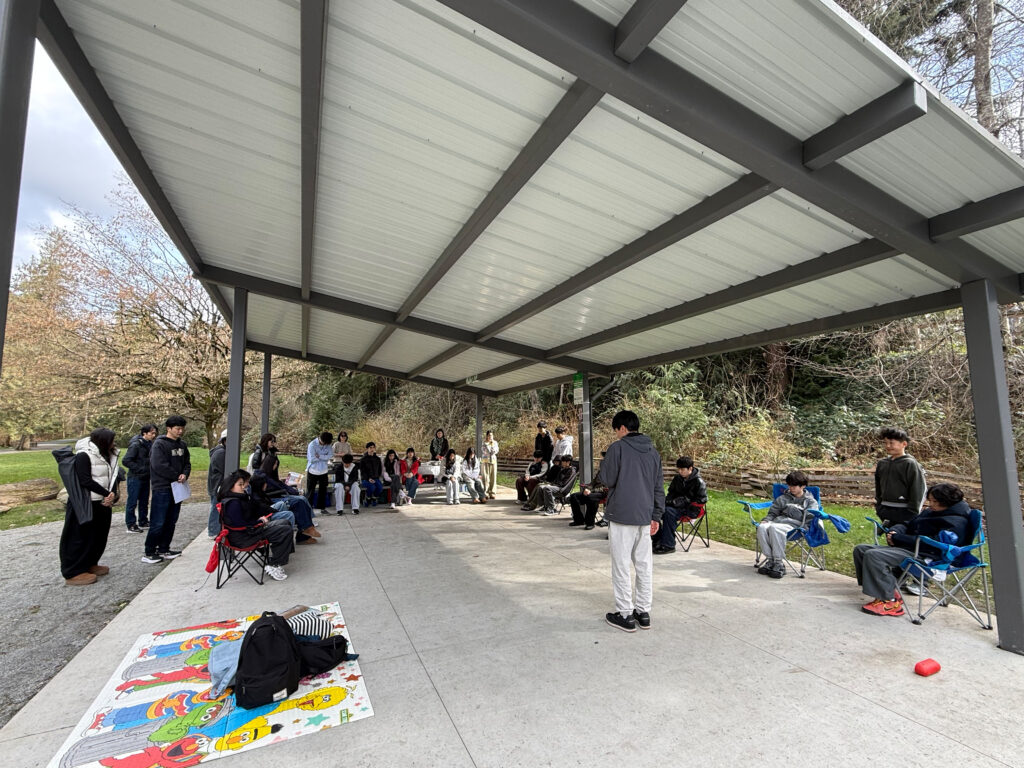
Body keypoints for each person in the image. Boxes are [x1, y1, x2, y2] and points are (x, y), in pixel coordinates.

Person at [854, 483, 972, 617]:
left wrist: (899, 538)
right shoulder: (932, 512)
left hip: (929, 557)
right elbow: (908, 524)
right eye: (930, 500)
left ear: (947, 502)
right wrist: (894, 532)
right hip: (912, 548)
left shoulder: (956, 522)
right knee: (861, 550)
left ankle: (889, 602)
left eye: (934, 501)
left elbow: (934, 544)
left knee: (874, 555)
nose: (930, 504)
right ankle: (888, 590)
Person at [602, 410, 664, 632]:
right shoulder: (653, 453)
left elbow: (607, 479)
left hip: (621, 515)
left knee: (621, 565)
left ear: (622, 428)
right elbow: (658, 487)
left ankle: (625, 614)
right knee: (644, 565)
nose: (616, 434)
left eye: (616, 430)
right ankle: (643, 612)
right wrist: (657, 515)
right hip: (645, 516)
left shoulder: (617, 448)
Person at [61, 428, 121, 585]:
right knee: (79, 537)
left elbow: (112, 475)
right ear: (103, 441)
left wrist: (111, 494)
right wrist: (107, 493)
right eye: (111, 440)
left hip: (103, 501)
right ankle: (73, 572)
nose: (114, 443)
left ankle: (90, 563)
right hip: (86, 502)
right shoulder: (84, 455)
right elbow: (85, 480)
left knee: (99, 536)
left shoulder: (109, 454)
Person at [218, 470, 294, 581]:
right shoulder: (233, 503)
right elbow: (241, 525)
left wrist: (260, 520)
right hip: (244, 538)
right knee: (285, 530)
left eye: (243, 484)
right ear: (230, 486)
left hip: (246, 532)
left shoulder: (238, 498)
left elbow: (245, 520)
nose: (243, 487)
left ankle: (280, 556)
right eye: (240, 485)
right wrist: (260, 522)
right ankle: (274, 564)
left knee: (285, 522)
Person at [144, 415, 191, 565]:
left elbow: (187, 462)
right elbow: (159, 465)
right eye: (177, 428)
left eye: (182, 428)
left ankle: (164, 548)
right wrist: (176, 475)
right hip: (162, 487)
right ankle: (150, 551)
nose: (180, 431)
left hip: (178, 487)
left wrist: (185, 474)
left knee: (171, 520)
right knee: (158, 521)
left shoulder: (182, 445)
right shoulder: (159, 444)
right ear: (169, 428)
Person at [755, 471, 818, 579]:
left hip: (796, 526)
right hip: (778, 522)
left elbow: (810, 518)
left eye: (794, 486)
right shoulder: (783, 498)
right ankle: (771, 561)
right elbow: (773, 513)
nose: (791, 488)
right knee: (761, 527)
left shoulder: (810, 501)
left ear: (803, 486)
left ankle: (779, 563)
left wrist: (798, 519)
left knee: (774, 528)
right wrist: (766, 520)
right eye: (789, 485)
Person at [250, 454, 320, 542]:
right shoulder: (262, 476)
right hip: (272, 498)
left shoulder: (269, 474)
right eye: (275, 464)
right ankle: (306, 530)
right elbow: (279, 487)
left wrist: (294, 491)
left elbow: (281, 485)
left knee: (302, 499)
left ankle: (308, 527)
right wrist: (293, 491)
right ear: (269, 464)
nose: (276, 467)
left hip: (277, 496)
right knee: (299, 502)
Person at [653, 457, 708, 554]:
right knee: (655, 510)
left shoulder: (699, 482)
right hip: (674, 506)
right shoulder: (677, 478)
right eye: (678, 469)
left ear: (690, 468)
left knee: (668, 513)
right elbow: (671, 493)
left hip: (691, 510)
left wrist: (686, 501)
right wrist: (668, 501)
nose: (680, 471)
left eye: (682, 469)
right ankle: (658, 539)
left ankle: (669, 545)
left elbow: (702, 499)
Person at [874, 427, 926, 527]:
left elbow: (918, 489)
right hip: (885, 509)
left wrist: (913, 511)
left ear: (904, 444)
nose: (888, 446)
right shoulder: (882, 463)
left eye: (891, 443)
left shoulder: (910, 464)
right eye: (885, 443)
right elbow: (878, 486)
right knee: (889, 535)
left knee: (899, 535)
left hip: (904, 511)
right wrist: (879, 506)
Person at [122, 423, 156, 533]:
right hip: (135, 477)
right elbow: (126, 460)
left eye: (154, 433)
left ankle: (143, 520)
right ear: (144, 433)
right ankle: (131, 524)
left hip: (146, 476)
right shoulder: (136, 445)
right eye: (152, 433)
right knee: (132, 501)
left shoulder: (150, 444)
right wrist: (139, 468)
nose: (153, 435)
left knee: (144, 500)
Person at [568, 462, 607, 531]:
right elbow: (592, 483)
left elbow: (606, 487)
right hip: (593, 492)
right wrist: (587, 488)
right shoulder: (600, 472)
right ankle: (579, 520)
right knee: (574, 496)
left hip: (603, 493)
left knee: (591, 498)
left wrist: (591, 491)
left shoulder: (611, 473)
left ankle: (590, 523)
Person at [207, 429, 227, 539]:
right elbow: (224, 469)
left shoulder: (220, 451)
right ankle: (213, 531)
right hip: (217, 485)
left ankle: (215, 530)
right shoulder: (221, 453)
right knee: (216, 508)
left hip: (216, 484)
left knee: (216, 507)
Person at [306, 431, 333, 513]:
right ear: (321, 439)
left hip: (324, 471)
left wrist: (320, 456)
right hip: (313, 470)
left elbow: (330, 455)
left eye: (327, 444)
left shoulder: (328, 444)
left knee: (323, 490)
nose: (325, 445)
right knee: (310, 491)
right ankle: (309, 509)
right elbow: (312, 459)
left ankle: (322, 508)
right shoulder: (312, 445)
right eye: (324, 443)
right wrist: (324, 457)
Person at [359, 442, 384, 506]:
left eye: (373, 447)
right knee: (372, 487)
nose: (372, 449)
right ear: (367, 449)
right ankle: (368, 498)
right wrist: (368, 478)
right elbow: (362, 471)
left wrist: (377, 477)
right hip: (366, 479)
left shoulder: (377, 459)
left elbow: (379, 470)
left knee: (380, 488)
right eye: (370, 448)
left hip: (375, 478)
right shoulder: (363, 459)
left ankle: (374, 498)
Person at [480, 430, 499, 499]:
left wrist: (492, 446)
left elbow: (496, 450)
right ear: (487, 436)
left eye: (491, 435)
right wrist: (489, 444)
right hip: (485, 461)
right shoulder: (484, 443)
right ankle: (486, 492)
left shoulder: (495, 442)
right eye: (489, 435)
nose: (490, 437)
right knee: (486, 477)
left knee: (493, 477)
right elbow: (485, 451)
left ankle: (492, 492)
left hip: (493, 461)